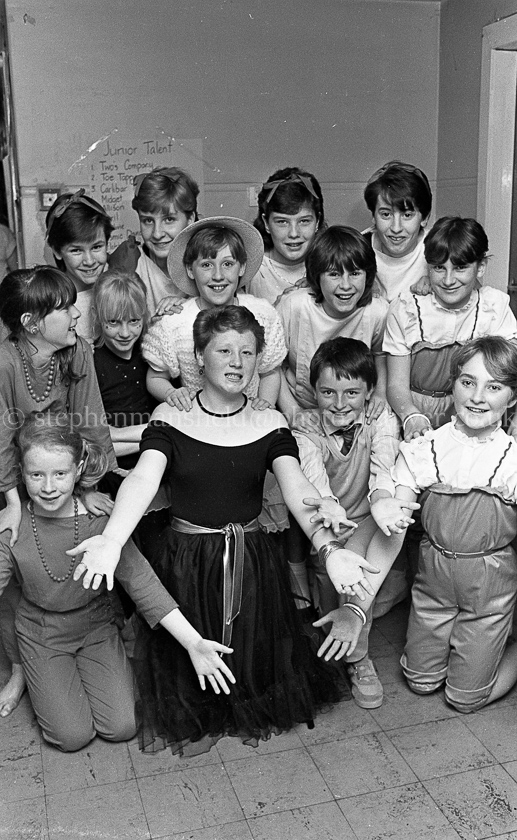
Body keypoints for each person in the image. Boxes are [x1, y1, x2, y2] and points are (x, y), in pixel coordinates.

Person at [69, 306, 383, 755]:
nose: (237, 362)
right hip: (188, 561)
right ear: (200, 356)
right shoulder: (171, 416)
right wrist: (112, 540)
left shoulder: (269, 421)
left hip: (251, 561)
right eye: (225, 351)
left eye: (247, 352)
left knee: (255, 657)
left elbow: (297, 488)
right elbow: (142, 479)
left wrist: (329, 549)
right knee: (190, 665)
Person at [1, 415, 235, 752]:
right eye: (36, 475)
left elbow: (142, 582)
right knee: (71, 737)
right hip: (42, 633)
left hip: (95, 627)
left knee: (122, 726)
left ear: (78, 470)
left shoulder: (101, 522)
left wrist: (193, 642)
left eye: (60, 474)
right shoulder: (13, 525)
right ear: (21, 473)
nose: (48, 487)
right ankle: (37, 675)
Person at [326, 336, 517, 713]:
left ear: (511, 398)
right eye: (468, 382)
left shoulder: (512, 460)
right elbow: (391, 525)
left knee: (465, 699)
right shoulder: (425, 448)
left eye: (494, 387)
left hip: (490, 585)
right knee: (419, 681)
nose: (478, 397)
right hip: (434, 581)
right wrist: (358, 609)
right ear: (453, 384)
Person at [0, 266, 117, 716]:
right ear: (31, 323)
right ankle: (18, 668)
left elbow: (92, 422)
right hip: (11, 482)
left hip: (64, 478)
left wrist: (87, 487)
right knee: (13, 578)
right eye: (64, 308)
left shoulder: (78, 350)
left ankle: (92, 650)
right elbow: (1, 440)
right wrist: (12, 502)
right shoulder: (5, 362)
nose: (76, 313)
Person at [293, 337, 401, 709]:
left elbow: (384, 471)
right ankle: (338, 640)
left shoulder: (380, 418)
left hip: (370, 518)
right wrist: (330, 509)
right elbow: (314, 482)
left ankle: (359, 659)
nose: (339, 404)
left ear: (370, 392)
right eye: (328, 392)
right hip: (327, 522)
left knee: (357, 586)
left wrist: (382, 501)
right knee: (328, 594)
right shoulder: (305, 425)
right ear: (314, 391)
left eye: (352, 393)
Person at [384, 216, 517, 440]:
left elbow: (511, 373)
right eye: (439, 268)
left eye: (460, 268)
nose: (448, 280)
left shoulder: (493, 308)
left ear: (481, 267)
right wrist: (411, 417)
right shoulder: (406, 308)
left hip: (471, 409)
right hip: (412, 408)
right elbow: (396, 384)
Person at [142, 217, 286, 412]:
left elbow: (270, 371)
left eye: (227, 264)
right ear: (190, 270)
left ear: (242, 267)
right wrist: (171, 393)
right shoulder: (174, 322)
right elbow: (155, 377)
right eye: (206, 265)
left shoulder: (263, 314)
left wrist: (264, 405)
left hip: (248, 416)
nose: (218, 275)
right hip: (198, 418)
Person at [276, 226, 388, 420]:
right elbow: (272, 364)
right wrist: (293, 412)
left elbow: (381, 355)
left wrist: (380, 393)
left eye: (355, 273)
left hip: (352, 410)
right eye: (334, 274)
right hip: (300, 405)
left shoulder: (377, 311)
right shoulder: (294, 306)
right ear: (317, 276)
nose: (345, 285)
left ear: (368, 275)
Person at [108, 167, 199, 316]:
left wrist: (190, 308)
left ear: (190, 219)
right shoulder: (130, 264)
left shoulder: (207, 262)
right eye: (148, 221)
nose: (157, 234)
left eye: (169, 220)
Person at [248, 166, 324, 304]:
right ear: (266, 223)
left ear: (317, 221)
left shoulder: (331, 265)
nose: (294, 233)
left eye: (304, 221)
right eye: (282, 222)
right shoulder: (252, 269)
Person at [46, 190, 114, 343]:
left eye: (97, 247)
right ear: (57, 251)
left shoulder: (115, 288)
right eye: (76, 250)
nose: (89, 261)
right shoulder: (52, 305)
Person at [363, 160, 432, 303]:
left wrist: (440, 284)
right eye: (386, 214)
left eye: (407, 215)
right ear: (373, 216)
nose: (396, 228)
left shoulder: (440, 246)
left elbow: (476, 297)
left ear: (424, 218)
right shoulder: (358, 246)